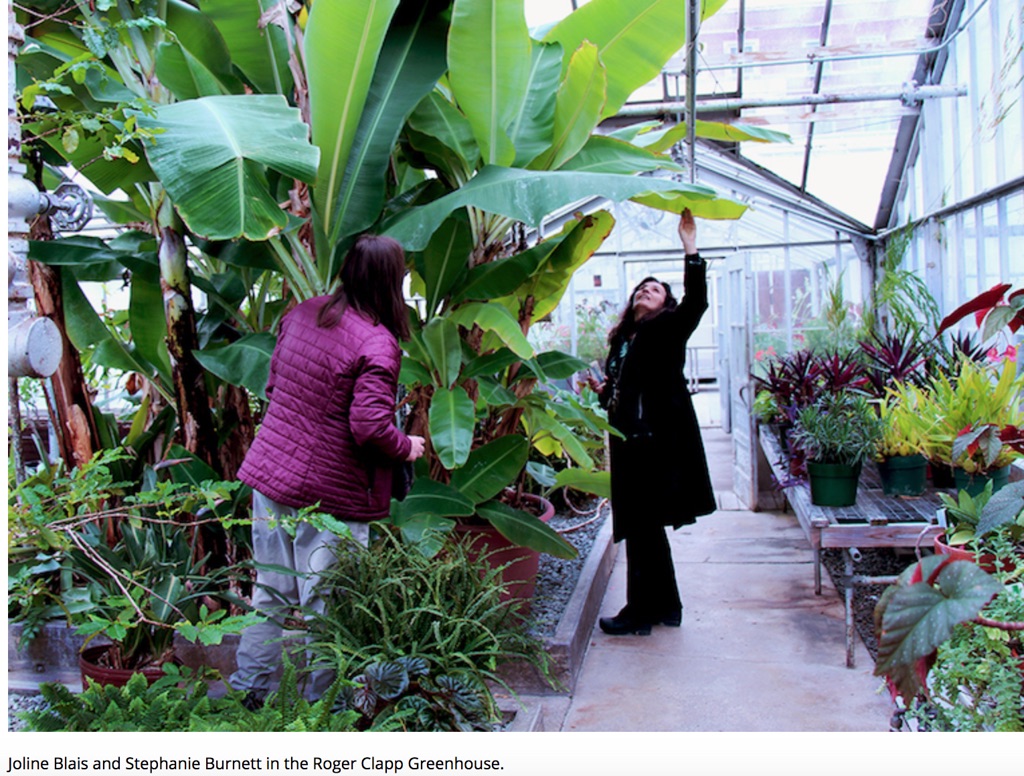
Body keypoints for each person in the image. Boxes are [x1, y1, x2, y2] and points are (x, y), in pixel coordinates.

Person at [230, 234, 426, 701]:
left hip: (271, 475)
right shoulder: (377, 343)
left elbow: (274, 382)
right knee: (329, 605)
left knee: (271, 594)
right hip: (329, 495)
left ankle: (249, 692)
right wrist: (408, 447)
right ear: (391, 282)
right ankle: (328, 709)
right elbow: (371, 427)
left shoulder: (302, 313)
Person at [587, 209, 716, 636]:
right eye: (641, 287)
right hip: (630, 443)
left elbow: (696, 302)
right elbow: (624, 395)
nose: (645, 290)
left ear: (665, 303)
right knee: (646, 528)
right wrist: (602, 391)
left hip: (653, 443)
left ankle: (638, 613)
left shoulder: (667, 331)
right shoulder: (625, 341)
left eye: (655, 289)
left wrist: (690, 247)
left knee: (642, 526)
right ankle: (667, 607)